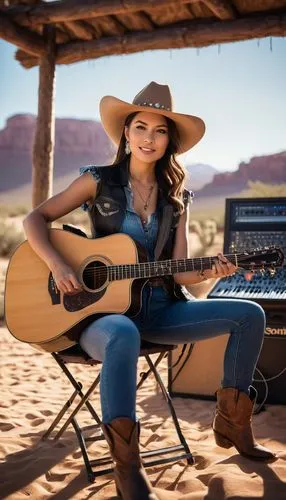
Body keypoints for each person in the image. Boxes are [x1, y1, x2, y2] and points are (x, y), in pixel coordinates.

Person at [23, 81, 276, 500]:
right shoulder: (97, 181)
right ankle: (128, 466)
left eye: (159, 131)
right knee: (123, 332)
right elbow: (36, 218)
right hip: (98, 316)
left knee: (251, 314)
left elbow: (179, 274)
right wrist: (59, 263)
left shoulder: (176, 201)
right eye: (140, 127)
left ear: (168, 141)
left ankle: (233, 423)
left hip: (159, 310)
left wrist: (214, 271)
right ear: (126, 133)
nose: (148, 138)